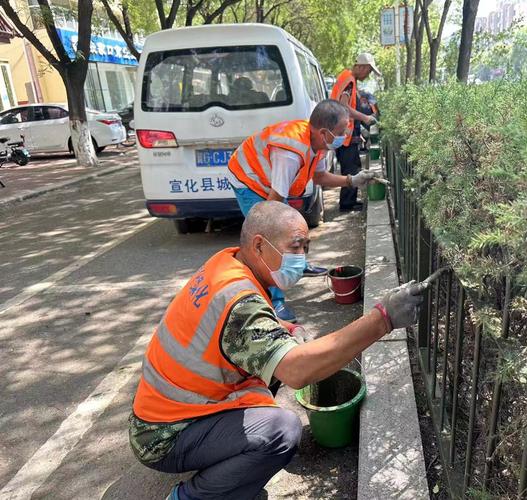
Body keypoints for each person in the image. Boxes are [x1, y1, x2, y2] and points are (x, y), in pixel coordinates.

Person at [128, 201, 426, 500]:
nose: (302, 257)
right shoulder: (239, 299)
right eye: (295, 247)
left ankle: (229, 472)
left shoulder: (227, 265)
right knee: (280, 432)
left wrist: (288, 328)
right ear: (259, 245)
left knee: (280, 354)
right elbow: (297, 371)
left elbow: (238, 326)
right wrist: (382, 319)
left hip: (165, 411)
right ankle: (191, 497)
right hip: (163, 436)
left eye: (306, 247)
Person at [226, 99, 377, 322]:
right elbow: (274, 203)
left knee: (288, 229)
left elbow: (319, 177)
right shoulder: (291, 151)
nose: (345, 135)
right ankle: (274, 301)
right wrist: (277, 231)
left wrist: (352, 180)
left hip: (269, 181)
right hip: (249, 180)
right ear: (324, 131)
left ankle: (298, 264)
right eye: (341, 131)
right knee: (270, 237)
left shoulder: (317, 143)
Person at [330, 53, 381, 211]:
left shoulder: (348, 79)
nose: (368, 75)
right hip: (344, 136)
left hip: (346, 134)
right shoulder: (349, 81)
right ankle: (347, 204)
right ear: (362, 67)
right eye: (369, 71)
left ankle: (349, 201)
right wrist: (365, 118)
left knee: (352, 166)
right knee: (351, 168)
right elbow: (344, 107)